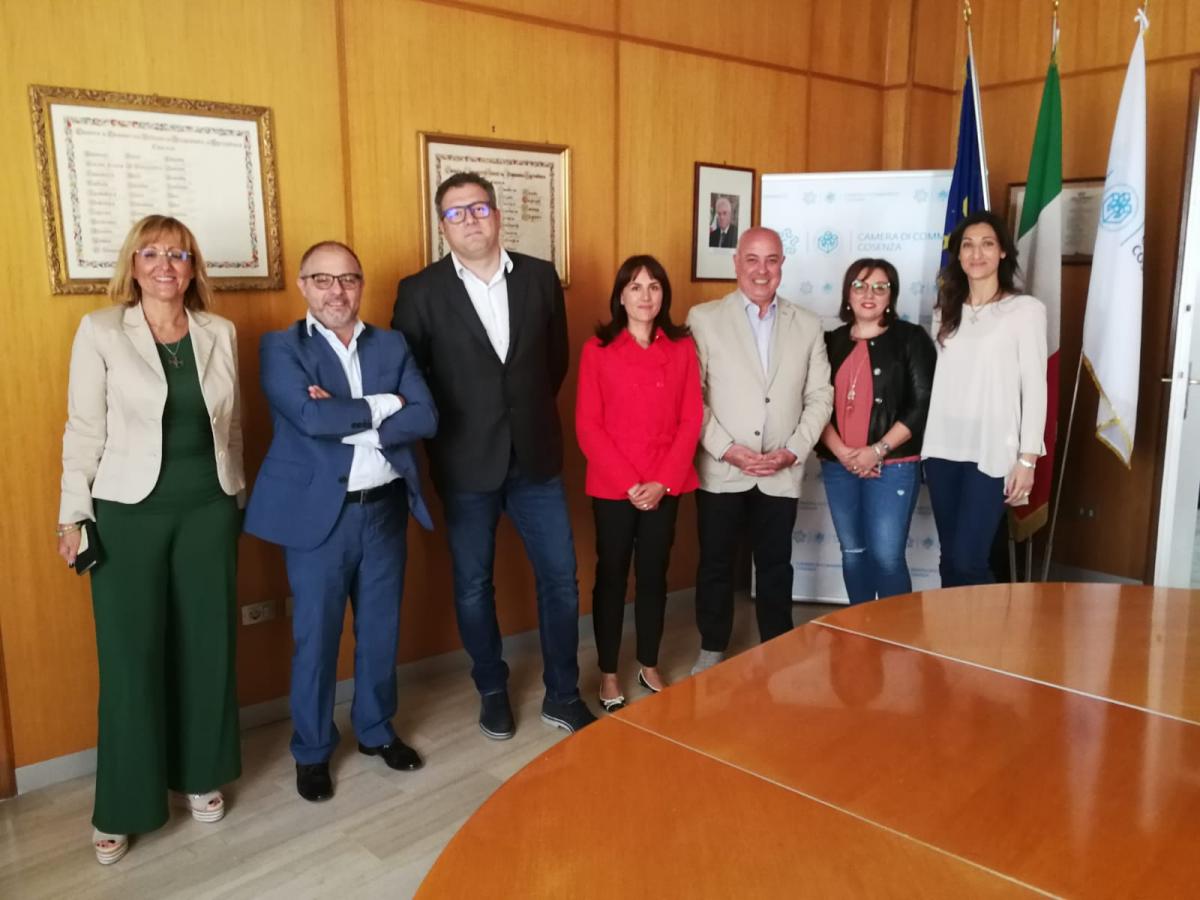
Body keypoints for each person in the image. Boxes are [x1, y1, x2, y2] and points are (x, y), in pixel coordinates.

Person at [57, 215, 244, 865]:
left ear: (194, 268)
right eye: (152, 253)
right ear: (133, 265)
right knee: (130, 656)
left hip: (209, 510)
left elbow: (231, 426)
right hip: (126, 513)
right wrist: (72, 517)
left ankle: (200, 774)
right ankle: (125, 803)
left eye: (179, 255)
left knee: (207, 645)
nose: (166, 265)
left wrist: (236, 495)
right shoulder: (101, 331)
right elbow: (83, 429)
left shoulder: (220, 331)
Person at [393, 172, 596, 738]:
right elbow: (411, 378)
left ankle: (562, 693)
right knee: (472, 585)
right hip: (465, 462)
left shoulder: (539, 277)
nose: (470, 220)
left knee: (561, 580)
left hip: (535, 458)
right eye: (456, 213)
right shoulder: (420, 291)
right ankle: (491, 688)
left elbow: (553, 363)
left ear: (497, 215)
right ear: (442, 226)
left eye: (479, 208)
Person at [244, 241, 437, 802]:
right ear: (303, 285)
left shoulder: (392, 343)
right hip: (318, 519)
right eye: (323, 279)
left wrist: (348, 419)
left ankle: (376, 730)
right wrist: (386, 405)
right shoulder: (282, 347)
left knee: (380, 630)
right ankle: (312, 750)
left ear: (361, 284)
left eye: (348, 278)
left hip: (384, 510)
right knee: (317, 638)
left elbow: (427, 415)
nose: (337, 291)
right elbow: (308, 417)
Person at [686, 227, 833, 674]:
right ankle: (713, 645)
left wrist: (793, 451)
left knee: (775, 564)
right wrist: (726, 449)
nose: (761, 270)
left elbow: (820, 397)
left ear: (782, 264)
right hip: (722, 468)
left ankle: (778, 644)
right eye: (752, 259)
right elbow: (692, 397)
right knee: (715, 563)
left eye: (771, 260)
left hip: (780, 468)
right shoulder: (704, 319)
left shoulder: (808, 324)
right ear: (736, 263)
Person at [575, 255, 702, 711]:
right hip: (615, 486)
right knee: (611, 576)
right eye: (635, 287)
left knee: (653, 575)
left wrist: (662, 482)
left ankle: (649, 662)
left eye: (654, 286)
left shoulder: (682, 348)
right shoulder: (598, 349)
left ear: (664, 294)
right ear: (621, 296)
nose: (645, 296)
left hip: (666, 484)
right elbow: (588, 426)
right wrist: (631, 483)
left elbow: (691, 419)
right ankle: (609, 672)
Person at [923, 210, 1047, 587]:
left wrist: (1027, 458)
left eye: (987, 244)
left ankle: (991, 625)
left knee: (968, 560)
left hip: (992, 450)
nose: (977, 254)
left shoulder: (1025, 311)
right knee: (950, 558)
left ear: (1003, 252)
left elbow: (1035, 387)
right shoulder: (944, 312)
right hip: (943, 448)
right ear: (958, 255)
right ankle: (951, 625)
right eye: (968, 245)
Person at [817, 258, 936, 604]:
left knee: (886, 558)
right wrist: (843, 453)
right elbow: (814, 403)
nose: (869, 294)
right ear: (847, 293)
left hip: (893, 466)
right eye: (860, 286)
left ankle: (893, 634)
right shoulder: (829, 342)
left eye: (880, 287)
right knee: (853, 553)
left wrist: (877, 451)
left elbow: (922, 404)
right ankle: (861, 629)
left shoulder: (911, 338)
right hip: (838, 465)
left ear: (891, 296)